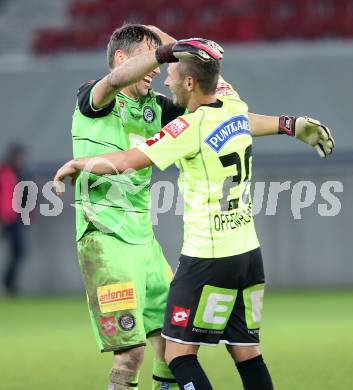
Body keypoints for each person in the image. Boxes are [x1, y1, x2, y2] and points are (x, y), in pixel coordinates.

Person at [54, 41, 334, 389]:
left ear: (188, 83)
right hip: (248, 252)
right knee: (247, 352)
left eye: (171, 72)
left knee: (178, 356)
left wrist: (79, 164)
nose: (163, 78)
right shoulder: (232, 107)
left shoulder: (186, 127)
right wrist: (288, 124)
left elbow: (127, 161)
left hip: (207, 258)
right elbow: (211, 76)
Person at [0, 145, 27, 295]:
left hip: (13, 219)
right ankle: (8, 284)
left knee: (19, 250)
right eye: (18, 157)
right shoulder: (5, 172)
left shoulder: (20, 173)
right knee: (18, 250)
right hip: (7, 218)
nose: (21, 160)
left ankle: (9, 284)